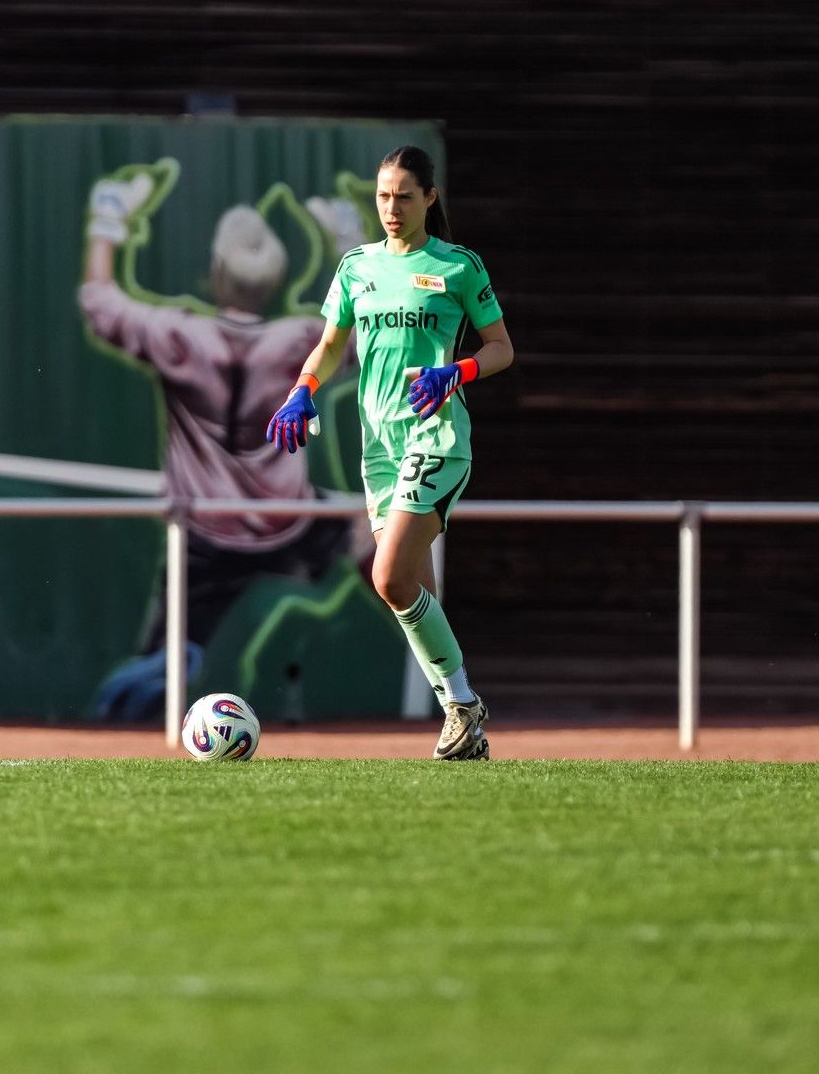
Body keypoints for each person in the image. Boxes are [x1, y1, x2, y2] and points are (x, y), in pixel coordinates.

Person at [80, 168, 369, 720]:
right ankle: (430, 644)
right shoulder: (301, 340)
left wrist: (109, 219)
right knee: (368, 536)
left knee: (160, 670)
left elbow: (101, 301)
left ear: (216, 274)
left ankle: (159, 680)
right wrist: (347, 244)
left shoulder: (180, 336)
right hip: (292, 525)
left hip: (206, 540)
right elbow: (370, 329)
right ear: (277, 280)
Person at [267, 145, 513, 760]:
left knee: (386, 576)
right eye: (383, 196)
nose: (392, 207)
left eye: (404, 195)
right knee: (407, 590)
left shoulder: (457, 266)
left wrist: (457, 372)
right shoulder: (356, 266)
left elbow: (502, 348)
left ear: (429, 197)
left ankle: (461, 706)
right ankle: (465, 722)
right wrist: (302, 391)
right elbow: (328, 345)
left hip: (436, 437)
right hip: (378, 447)